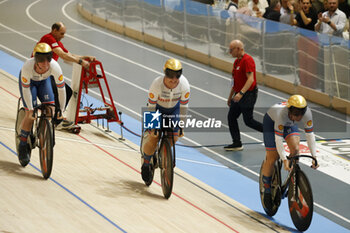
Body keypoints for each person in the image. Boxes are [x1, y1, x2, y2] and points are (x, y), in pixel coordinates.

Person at [261, 95, 318, 209]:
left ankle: (292, 177)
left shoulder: (306, 114)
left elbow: (310, 135)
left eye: (301, 114)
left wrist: (314, 157)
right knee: (272, 157)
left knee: (296, 149)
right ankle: (266, 189)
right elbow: (278, 139)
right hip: (271, 122)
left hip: (288, 124)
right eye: (296, 114)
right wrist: (284, 159)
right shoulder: (281, 114)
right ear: (289, 110)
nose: (299, 117)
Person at [140, 58, 190, 183]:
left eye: (177, 76)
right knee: (153, 137)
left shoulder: (184, 85)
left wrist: (181, 126)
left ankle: (163, 152)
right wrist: (153, 126)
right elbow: (151, 106)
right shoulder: (156, 84)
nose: (174, 80)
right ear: (165, 73)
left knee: (175, 137)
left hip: (173, 110)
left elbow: (184, 107)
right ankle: (146, 163)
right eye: (170, 76)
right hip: (156, 110)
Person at [18, 43, 66, 167]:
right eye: (41, 60)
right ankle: (22, 144)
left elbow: (61, 90)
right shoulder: (27, 66)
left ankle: (45, 132)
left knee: (51, 110)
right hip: (30, 86)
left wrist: (61, 110)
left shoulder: (55, 66)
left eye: (48, 59)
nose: (45, 63)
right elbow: (26, 90)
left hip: (44, 82)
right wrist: (30, 109)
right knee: (30, 115)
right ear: (35, 59)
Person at [224, 40, 263, 151]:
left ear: (238, 49)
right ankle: (237, 143)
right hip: (238, 95)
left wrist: (241, 93)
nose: (230, 52)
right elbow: (234, 82)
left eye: (231, 50)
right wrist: (230, 96)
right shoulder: (236, 62)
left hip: (248, 94)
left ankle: (271, 132)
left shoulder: (247, 60)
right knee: (231, 117)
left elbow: (250, 79)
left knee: (248, 121)